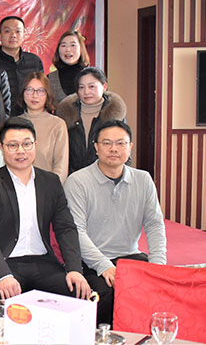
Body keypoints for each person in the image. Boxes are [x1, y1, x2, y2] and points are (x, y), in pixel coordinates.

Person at [0, 118, 90, 301]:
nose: (20, 151)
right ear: (2, 148)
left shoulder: (50, 182)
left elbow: (65, 228)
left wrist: (74, 269)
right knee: (11, 302)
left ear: (35, 145)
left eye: (26, 144)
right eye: (13, 145)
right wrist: (3, 276)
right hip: (6, 262)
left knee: (76, 293)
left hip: (43, 262)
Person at [65, 120, 166, 325]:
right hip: (91, 261)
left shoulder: (143, 179)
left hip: (130, 257)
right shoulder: (77, 181)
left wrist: (158, 267)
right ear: (96, 147)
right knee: (107, 295)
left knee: (158, 291)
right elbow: (77, 231)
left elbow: (154, 224)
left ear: (130, 147)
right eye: (107, 143)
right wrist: (104, 266)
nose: (113, 149)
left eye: (120, 143)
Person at [55, 67, 127, 175]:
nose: (86, 92)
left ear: (104, 87)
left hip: (106, 177)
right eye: (81, 87)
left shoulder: (115, 115)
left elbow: (124, 152)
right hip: (73, 178)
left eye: (91, 86)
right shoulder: (65, 115)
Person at [0, 16, 44, 115]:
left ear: (24, 35)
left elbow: (42, 91)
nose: (13, 35)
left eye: (18, 31)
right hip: (0, 119)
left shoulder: (35, 61)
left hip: (31, 117)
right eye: (7, 31)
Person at [18, 72, 69, 182]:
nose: (35, 96)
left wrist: (50, 188)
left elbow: (61, 166)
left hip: (48, 187)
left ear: (47, 94)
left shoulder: (58, 125)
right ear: (23, 92)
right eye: (30, 90)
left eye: (40, 91)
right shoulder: (14, 124)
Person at [47, 30, 90, 103]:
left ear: (81, 48)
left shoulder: (93, 76)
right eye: (63, 45)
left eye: (73, 45)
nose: (68, 49)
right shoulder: (49, 79)